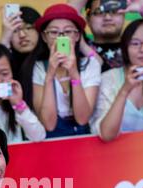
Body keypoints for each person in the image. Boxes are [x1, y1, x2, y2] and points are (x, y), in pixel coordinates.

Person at [90, 19, 143, 142]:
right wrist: (124, 91)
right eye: (135, 43)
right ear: (125, 47)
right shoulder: (108, 79)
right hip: (111, 157)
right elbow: (107, 134)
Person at [31, 3, 101, 138]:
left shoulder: (90, 64)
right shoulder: (39, 67)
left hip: (82, 135)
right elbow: (49, 124)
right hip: (51, 138)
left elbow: (82, 119)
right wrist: (50, 75)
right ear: (44, 37)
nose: (60, 37)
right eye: (54, 32)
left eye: (68, 31)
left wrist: (74, 73)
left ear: (77, 36)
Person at [71, 0, 143, 72]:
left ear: (123, 15)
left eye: (114, 11)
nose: (107, 17)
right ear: (87, 19)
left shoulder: (137, 47)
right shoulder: (80, 45)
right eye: (99, 12)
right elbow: (65, 16)